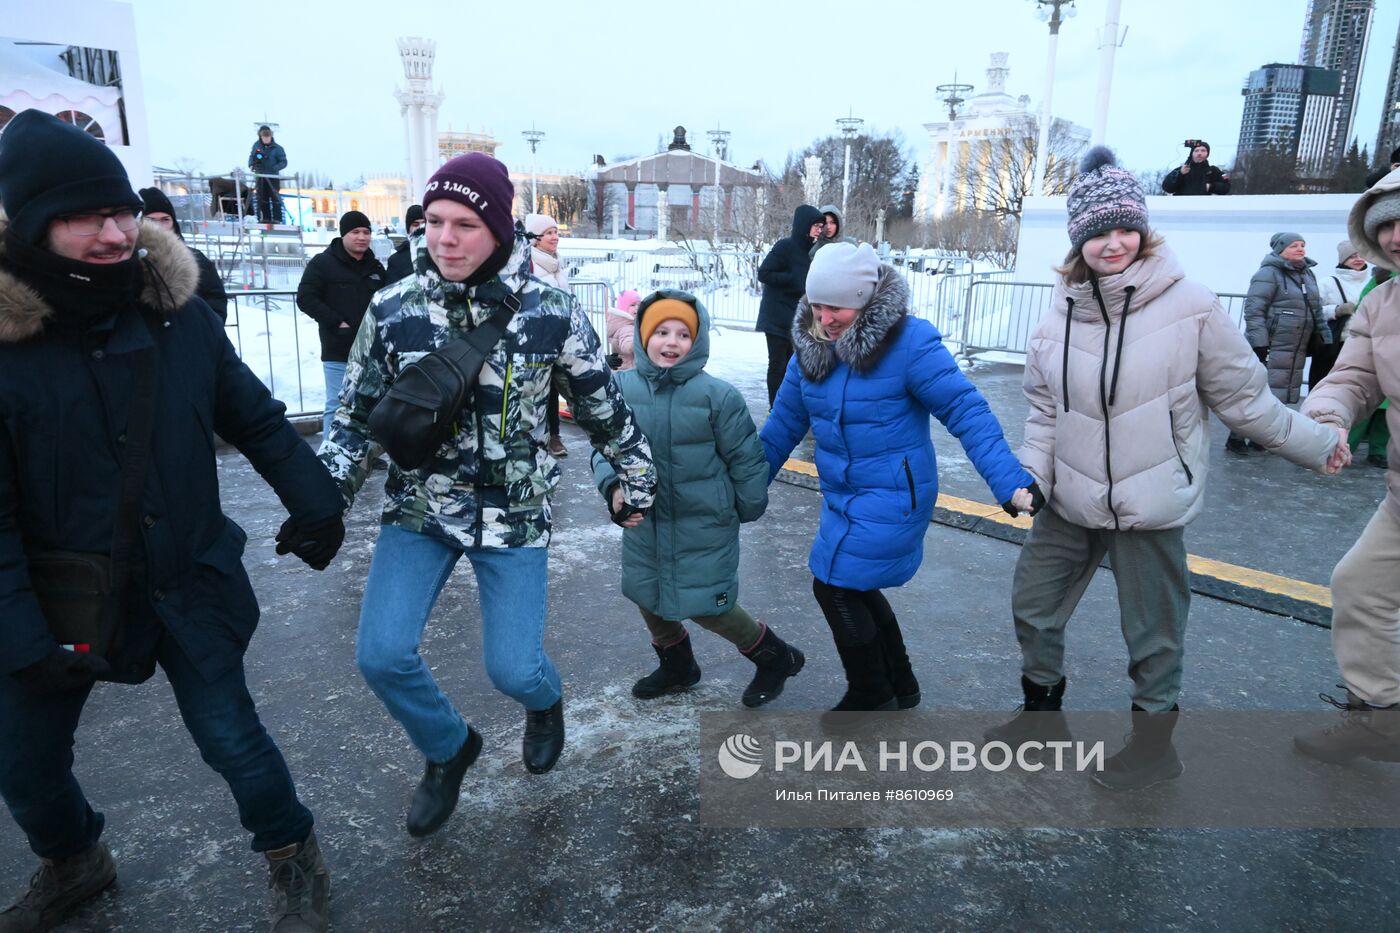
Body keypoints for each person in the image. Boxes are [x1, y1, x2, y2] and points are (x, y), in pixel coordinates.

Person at [0, 109, 344, 933]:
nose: (115, 231)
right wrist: (17, 630)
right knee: (25, 763)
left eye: (120, 211)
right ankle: (76, 856)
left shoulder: (178, 313)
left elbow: (256, 417)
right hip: (59, 594)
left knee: (233, 737)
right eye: (85, 217)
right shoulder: (8, 348)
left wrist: (317, 497)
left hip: (186, 573)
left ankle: (294, 856)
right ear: (33, 224)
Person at [319, 153, 655, 838]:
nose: (446, 238)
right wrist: (321, 498)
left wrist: (635, 479)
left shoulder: (550, 311)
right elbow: (353, 421)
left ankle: (546, 700)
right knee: (380, 653)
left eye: (466, 224)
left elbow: (604, 409)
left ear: (498, 230)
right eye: (437, 221)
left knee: (513, 667)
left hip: (515, 512)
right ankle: (449, 747)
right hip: (420, 507)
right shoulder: (393, 308)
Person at [984, 147, 1341, 791]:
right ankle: (1041, 719)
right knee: (1032, 608)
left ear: (1144, 231)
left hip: (1150, 504)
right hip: (1068, 500)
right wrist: (1031, 475)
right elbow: (1045, 411)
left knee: (1153, 636)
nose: (1112, 242)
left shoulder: (1193, 307)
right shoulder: (1057, 315)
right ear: (1078, 240)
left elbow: (1246, 401)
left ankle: (1154, 748)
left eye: (1125, 228)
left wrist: (1317, 443)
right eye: (1097, 231)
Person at [761, 242, 1036, 714]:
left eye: (838, 307)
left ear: (867, 300)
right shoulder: (810, 346)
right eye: (818, 305)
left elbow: (964, 408)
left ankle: (872, 692)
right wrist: (740, 488)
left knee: (834, 585)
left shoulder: (910, 342)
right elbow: (781, 427)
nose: (826, 318)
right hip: (843, 494)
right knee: (854, 584)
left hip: (896, 493)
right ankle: (900, 685)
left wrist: (1008, 479)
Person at [593, 290, 804, 706]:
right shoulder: (619, 388)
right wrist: (614, 489)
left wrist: (746, 505)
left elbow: (745, 459)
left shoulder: (718, 396)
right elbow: (604, 449)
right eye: (661, 332)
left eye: (683, 334)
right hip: (645, 522)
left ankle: (774, 656)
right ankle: (678, 666)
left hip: (703, 522)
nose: (671, 342)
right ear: (642, 335)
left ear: (698, 340)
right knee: (645, 592)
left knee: (710, 604)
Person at [1293, 170, 1400, 762]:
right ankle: (1379, 718)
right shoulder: (1380, 301)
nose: (1396, 236)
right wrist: (1329, 418)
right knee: (1358, 587)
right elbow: (1353, 377)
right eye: (1385, 224)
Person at [1228, 232, 1331, 454]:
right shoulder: (1268, 274)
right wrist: (1259, 342)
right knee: (1256, 394)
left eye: (1303, 245)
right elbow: (1254, 310)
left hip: (1295, 346)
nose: (1300, 249)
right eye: (1294, 245)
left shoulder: (1308, 274)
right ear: (1280, 249)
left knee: (1279, 396)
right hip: (1272, 345)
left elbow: (1317, 310)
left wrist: (1325, 336)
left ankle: (1261, 438)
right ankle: (1236, 437)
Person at [295, 210, 386, 436]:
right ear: (344, 234)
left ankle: (362, 455)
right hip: (338, 348)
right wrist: (337, 323)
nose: (362, 237)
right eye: (355, 232)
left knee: (371, 405)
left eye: (366, 232)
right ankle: (329, 459)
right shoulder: (323, 263)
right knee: (337, 404)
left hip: (372, 350)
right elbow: (306, 298)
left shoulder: (375, 268)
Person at [756, 204, 824, 407]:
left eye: (821, 226)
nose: (819, 230)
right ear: (805, 225)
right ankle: (774, 407)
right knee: (777, 364)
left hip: (794, 318)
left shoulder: (810, 252)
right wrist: (792, 279)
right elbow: (764, 273)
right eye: (816, 225)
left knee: (790, 365)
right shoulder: (784, 246)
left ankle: (786, 404)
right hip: (776, 315)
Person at [138, 186, 229, 322]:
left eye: (165, 219)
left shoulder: (196, 258)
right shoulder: (130, 261)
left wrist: (208, 328)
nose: (159, 226)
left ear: (174, 223)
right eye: (151, 220)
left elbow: (216, 299)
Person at [525, 213, 570, 457]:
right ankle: (537, 438)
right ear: (535, 238)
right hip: (537, 338)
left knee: (555, 387)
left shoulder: (556, 264)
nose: (555, 237)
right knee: (538, 389)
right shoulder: (529, 264)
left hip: (560, 337)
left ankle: (553, 435)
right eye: (549, 233)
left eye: (556, 232)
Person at [1311, 240, 1369, 387]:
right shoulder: (1328, 283)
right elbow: (1312, 311)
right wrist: (1336, 310)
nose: (1358, 259)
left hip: (1364, 343)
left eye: (1361, 255)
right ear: (1343, 259)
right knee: (1327, 382)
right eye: (1352, 256)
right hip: (1337, 343)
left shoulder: (1371, 282)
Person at [1160, 140, 1230, 196]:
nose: (1199, 153)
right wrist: (1180, 174)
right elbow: (1166, 187)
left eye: (1203, 150)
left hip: (1204, 208)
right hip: (1181, 208)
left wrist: (1211, 186)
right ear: (1192, 154)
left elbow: (1227, 186)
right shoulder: (1180, 170)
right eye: (1196, 150)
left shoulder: (1213, 170)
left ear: (1207, 154)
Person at [248, 125, 287, 224]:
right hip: (260, 177)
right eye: (264, 137)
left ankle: (277, 219)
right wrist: (252, 165)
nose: (266, 139)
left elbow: (284, 162)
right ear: (260, 137)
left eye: (268, 136)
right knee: (262, 197)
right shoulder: (256, 146)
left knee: (274, 197)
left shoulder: (278, 148)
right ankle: (265, 218)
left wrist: (274, 168)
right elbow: (252, 157)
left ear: (271, 136)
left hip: (273, 177)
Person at [384, 203, 424, 285]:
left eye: (424, 223)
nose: (421, 228)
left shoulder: (442, 254)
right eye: (415, 224)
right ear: (408, 229)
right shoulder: (396, 260)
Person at [605, 288, 641, 371]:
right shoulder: (626, 328)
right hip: (628, 370)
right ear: (623, 308)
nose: (637, 308)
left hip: (623, 369)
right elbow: (627, 346)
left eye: (638, 305)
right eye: (632, 305)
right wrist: (642, 341)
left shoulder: (626, 324)